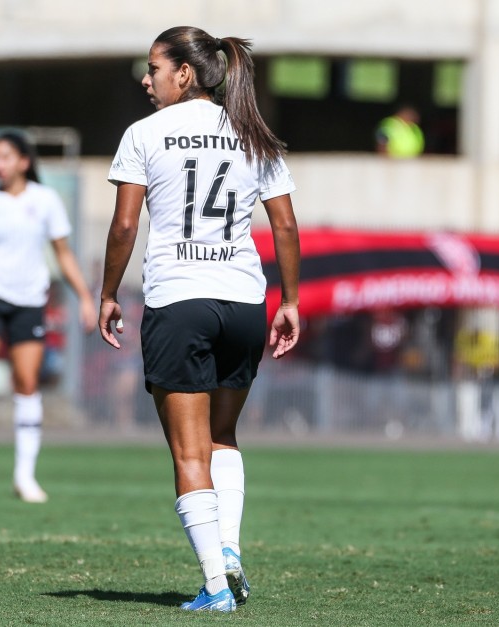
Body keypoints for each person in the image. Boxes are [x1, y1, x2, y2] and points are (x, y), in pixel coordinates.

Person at [99, 27, 301, 613]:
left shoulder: (143, 134)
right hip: (243, 303)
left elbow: (124, 228)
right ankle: (230, 550)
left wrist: (108, 293)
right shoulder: (253, 134)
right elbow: (285, 226)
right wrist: (289, 301)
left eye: (154, 68)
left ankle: (216, 584)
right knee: (222, 437)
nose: (147, 78)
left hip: (180, 302)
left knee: (189, 455)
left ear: (184, 73)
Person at [0, 130, 97, 504]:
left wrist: (84, 297)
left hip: (30, 301)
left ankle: (25, 475)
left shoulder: (44, 200)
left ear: (24, 162)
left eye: (5, 157)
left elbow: (63, 253)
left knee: (26, 383)